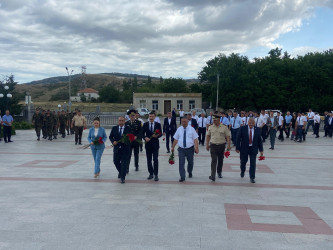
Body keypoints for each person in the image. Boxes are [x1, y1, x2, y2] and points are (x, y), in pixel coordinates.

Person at [171, 114, 199, 182]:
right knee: (181, 163)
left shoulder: (191, 129)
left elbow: (195, 139)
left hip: (190, 149)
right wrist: (173, 147)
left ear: (187, 121)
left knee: (190, 162)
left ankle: (189, 171)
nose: (183, 123)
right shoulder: (179, 129)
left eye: (185, 121)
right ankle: (182, 176)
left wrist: (196, 147)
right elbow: (175, 139)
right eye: (182, 121)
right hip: (181, 149)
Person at [236, 118, 264, 183]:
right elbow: (238, 138)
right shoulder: (243, 128)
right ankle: (242, 171)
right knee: (243, 162)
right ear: (248, 122)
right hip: (244, 148)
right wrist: (237, 148)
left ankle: (252, 177)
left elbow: (260, 141)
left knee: (253, 163)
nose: (251, 124)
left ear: (254, 123)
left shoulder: (258, 130)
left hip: (253, 149)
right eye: (250, 123)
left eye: (252, 123)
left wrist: (261, 150)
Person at [206, 114, 231, 181]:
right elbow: (208, 136)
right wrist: (207, 144)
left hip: (221, 145)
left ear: (219, 120)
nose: (214, 121)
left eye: (215, 120)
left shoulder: (224, 127)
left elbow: (228, 136)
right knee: (214, 160)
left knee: (220, 160)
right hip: (213, 145)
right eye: (213, 120)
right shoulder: (211, 127)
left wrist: (229, 145)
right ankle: (213, 175)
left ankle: (219, 172)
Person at [109, 116, 131, 183]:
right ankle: (121, 172)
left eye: (122, 121)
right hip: (117, 148)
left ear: (124, 121)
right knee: (115, 161)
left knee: (124, 163)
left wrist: (126, 141)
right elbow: (110, 136)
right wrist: (113, 142)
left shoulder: (128, 128)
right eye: (119, 121)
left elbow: (131, 137)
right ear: (118, 121)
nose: (121, 122)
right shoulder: (114, 128)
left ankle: (122, 177)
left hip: (125, 148)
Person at [143, 112, 162, 181]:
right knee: (149, 160)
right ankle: (151, 173)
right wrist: (145, 138)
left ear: (155, 117)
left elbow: (161, 133)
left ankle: (156, 174)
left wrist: (157, 136)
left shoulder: (158, 124)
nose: (151, 118)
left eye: (152, 116)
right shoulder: (145, 124)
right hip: (148, 144)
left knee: (155, 159)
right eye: (150, 116)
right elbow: (142, 133)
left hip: (155, 144)